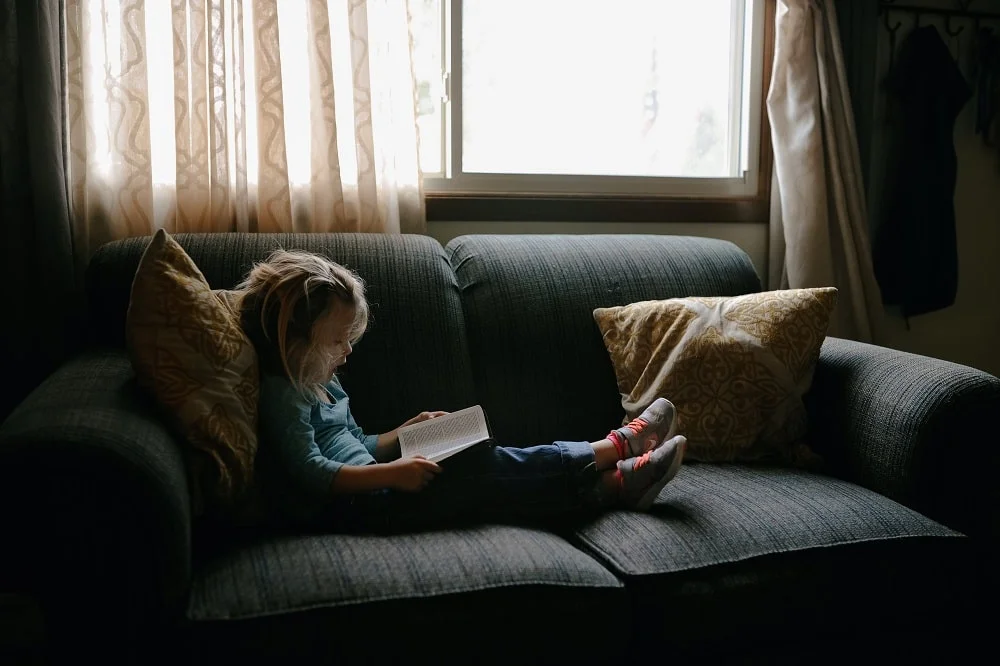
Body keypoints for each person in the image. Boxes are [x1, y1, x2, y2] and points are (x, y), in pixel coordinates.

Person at [238, 250, 687, 531]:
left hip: (376, 485)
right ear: (295, 340)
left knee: (480, 462)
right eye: (336, 341)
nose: (348, 351)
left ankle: (617, 483)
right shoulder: (284, 393)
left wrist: (403, 433)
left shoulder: (322, 380)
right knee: (480, 472)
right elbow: (312, 471)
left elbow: (357, 444)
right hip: (359, 508)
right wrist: (393, 473)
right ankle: (616, 448)